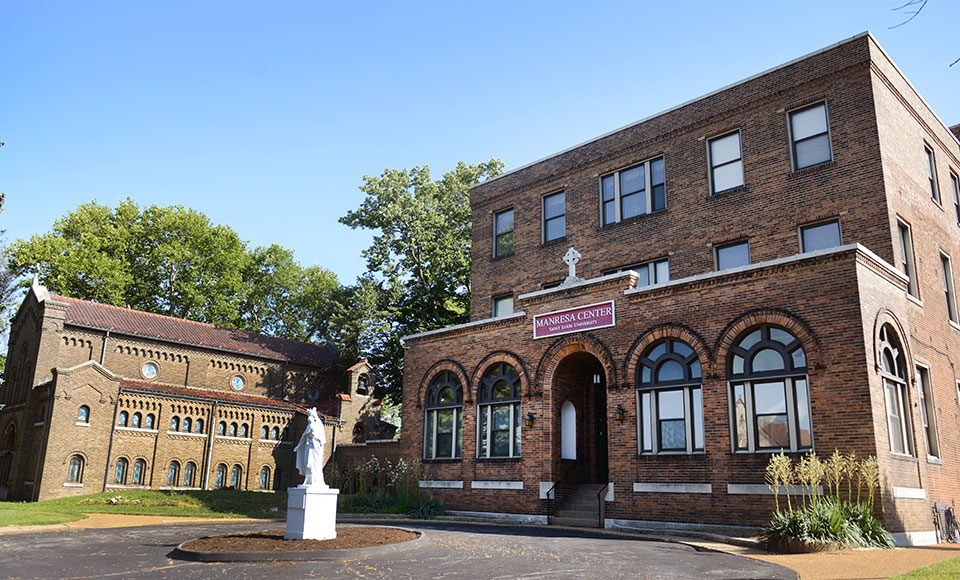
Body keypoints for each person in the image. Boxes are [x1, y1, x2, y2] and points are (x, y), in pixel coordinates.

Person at [294, 407, 327, 487]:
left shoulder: (317, 425)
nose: (309, 422)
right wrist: (298, 446)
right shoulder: (309, 426)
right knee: (307, 462)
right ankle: (308, 479)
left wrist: (312, 413)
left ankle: (314, 480)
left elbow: (321, 439)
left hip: (315, 448)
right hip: (309, 447)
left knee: (313, 464)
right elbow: (303, 436)